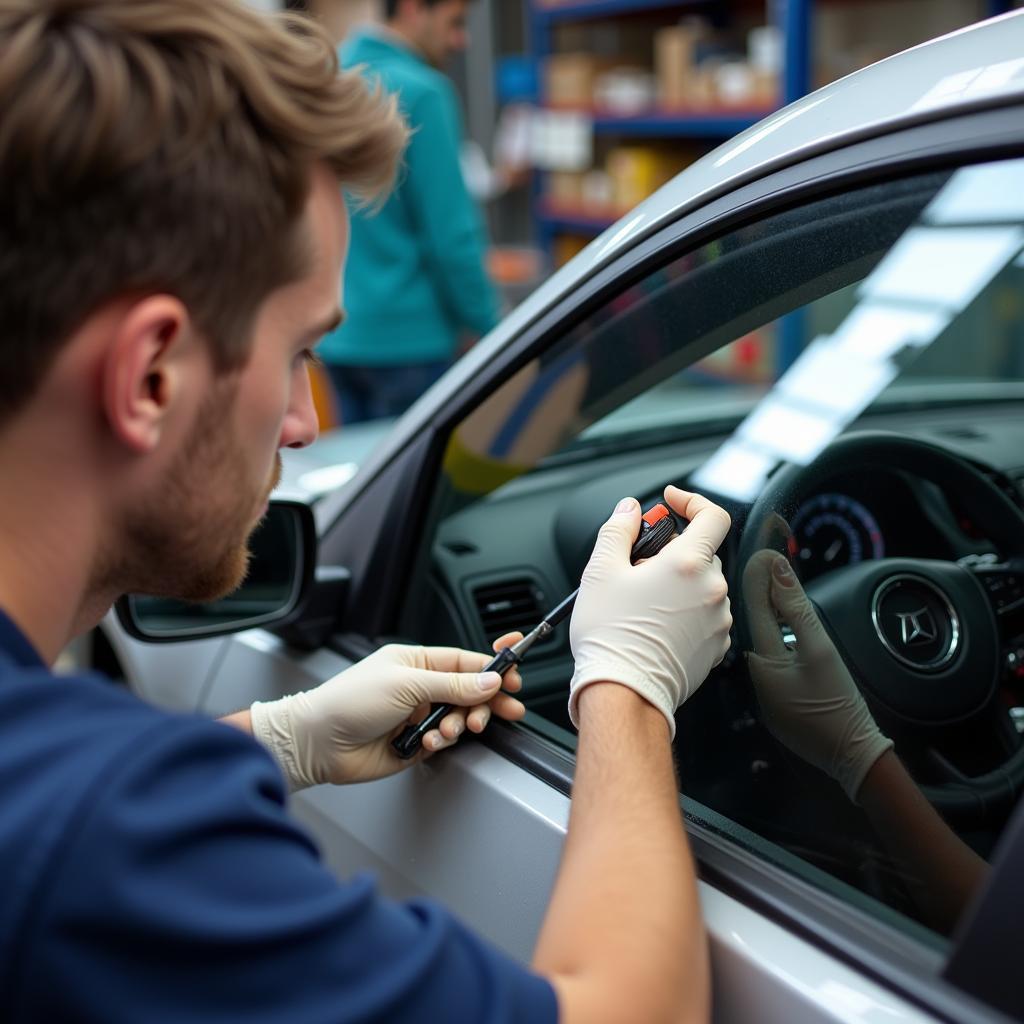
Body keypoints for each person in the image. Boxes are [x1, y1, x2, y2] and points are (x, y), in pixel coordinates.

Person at [0, 2, 734, 1022]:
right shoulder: (102, 839)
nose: (304, 426)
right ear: (151, 376)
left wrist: (276, 739)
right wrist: (629, 685)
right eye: (299, 352)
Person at [318, 0, 501, 424]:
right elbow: (452, 237)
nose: (462, 39)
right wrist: (493, 329)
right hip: (412, 343)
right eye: (454, 23)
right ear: (414, 8)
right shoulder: (420, 91)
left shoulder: (327, 80)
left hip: (338, 335)